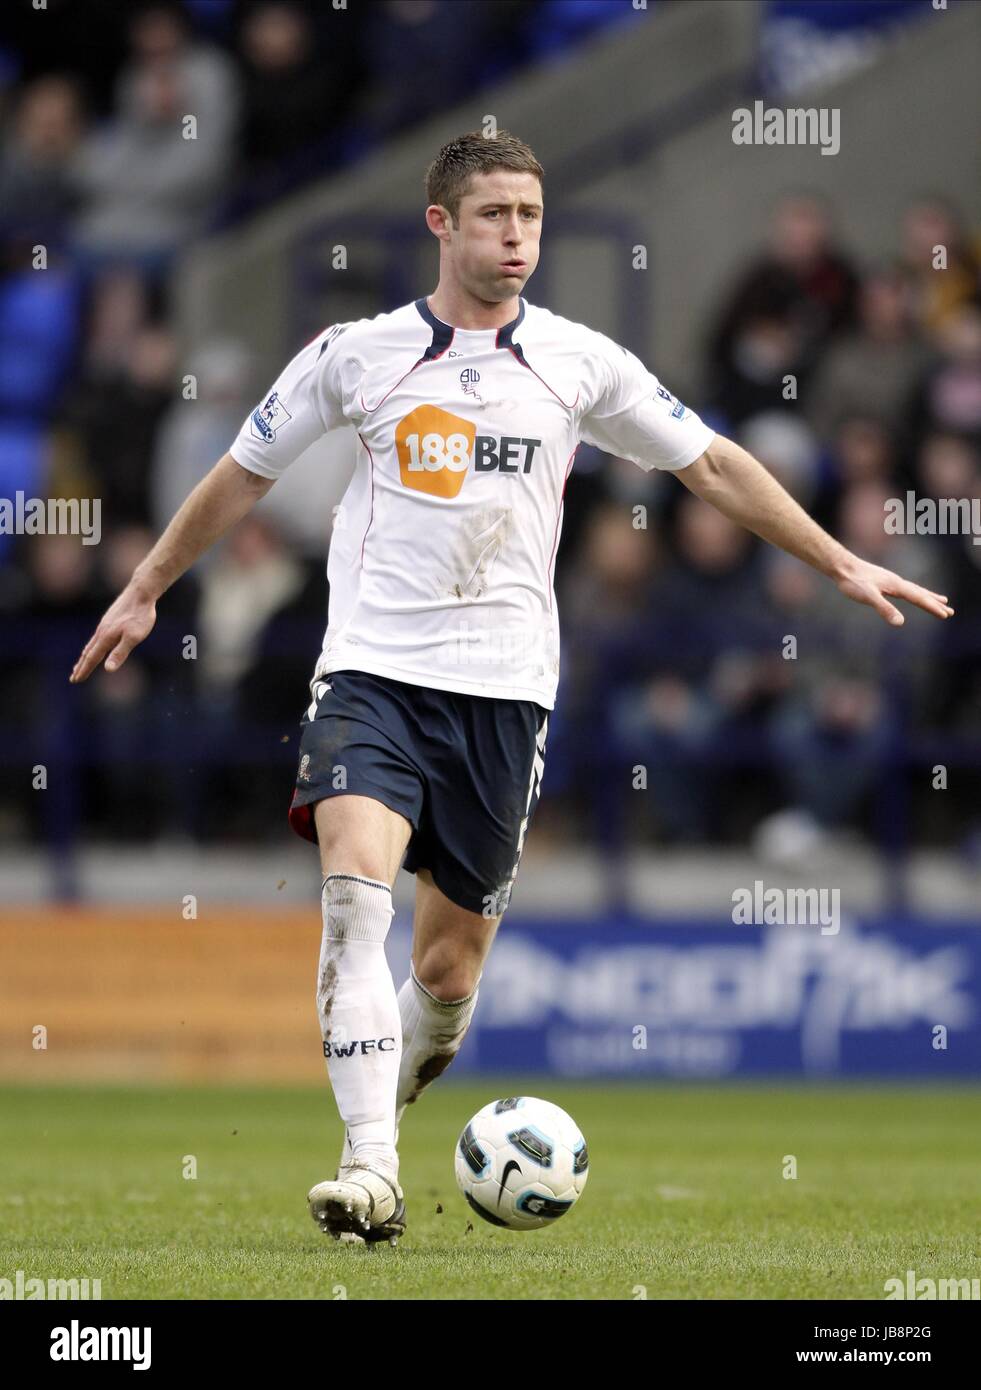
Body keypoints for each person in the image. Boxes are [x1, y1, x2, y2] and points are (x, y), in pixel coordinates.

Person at [69, 130, 954, 1246]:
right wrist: (146, 588)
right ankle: (371, 1174)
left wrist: (839, 558)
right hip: (372, 675)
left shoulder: (580, 362)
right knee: (353, 893)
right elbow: (244, 471)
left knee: (444, 977)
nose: (517, 237)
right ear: (441, 224)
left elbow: (713, 462)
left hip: (504, 696)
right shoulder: (357, 354)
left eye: (530, 216)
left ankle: (379, 1113)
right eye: (494, 216)